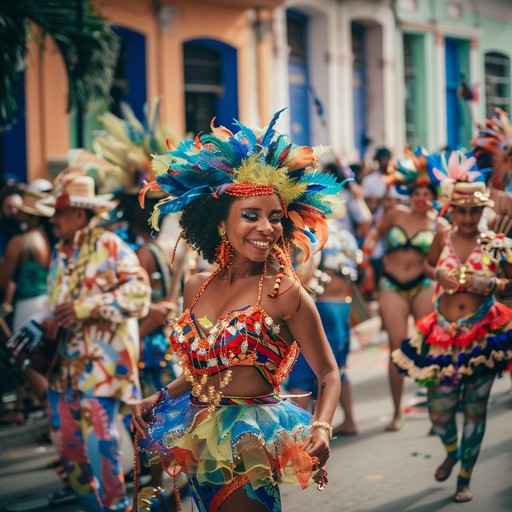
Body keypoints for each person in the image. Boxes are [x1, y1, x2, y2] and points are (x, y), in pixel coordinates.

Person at [131, 109, 342, 512]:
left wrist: (322, 425)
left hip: (251, 439)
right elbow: (204, 368)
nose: (267, 227)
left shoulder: (284, 292)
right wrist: (159, 395)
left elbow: (329, 373)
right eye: (251, 216)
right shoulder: (197, 285)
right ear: (221, 225)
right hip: (197, 433)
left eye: (275, 217)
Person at [18, 171, 151, 511]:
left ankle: (115, 507)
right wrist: (39, 322)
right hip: (63, 370)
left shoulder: (111, 246)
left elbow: (140, 295)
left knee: (100, 446)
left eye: (59, 212)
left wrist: (86, 308)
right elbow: (55, 302)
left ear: (79, 213)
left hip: (102, 370)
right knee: (67, 446)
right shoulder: (61, 252)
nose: (53, 220)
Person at [392, 150, 512, 503]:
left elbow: (510, 283)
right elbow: (428, 268)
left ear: (484, 210)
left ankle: (464, 478)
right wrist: (439, 273)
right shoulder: (441, 237)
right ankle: (450, 449)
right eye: (463, 210)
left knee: (475, 408)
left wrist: (490, 285)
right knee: (440, 411)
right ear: (451, 209)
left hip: (484, 333)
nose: (470, 217)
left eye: (476, 210)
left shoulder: (496, 243)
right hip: (441, 334)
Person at [362, 148, 444, 431]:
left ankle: (436, 411)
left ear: (433, 196)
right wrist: (367, 260)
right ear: (410, 194)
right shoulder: (395, 213)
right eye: (417, 193)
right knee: (397, 349)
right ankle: (398, 412)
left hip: (422, 284)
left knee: (428, 346)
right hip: (391, 285)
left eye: (427, 194)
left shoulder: (438, 224)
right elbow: (373, 234)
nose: (422, 199)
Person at [287, 223, 360, 436]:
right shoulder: (342, 232)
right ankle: (348, 421)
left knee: (303, 374)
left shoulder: (304, 233)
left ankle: (304, 435)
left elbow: (304, 273)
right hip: (342, 306)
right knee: (337, 368)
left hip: (320, 308)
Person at [0, 190, 53, 425]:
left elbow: (3, 280)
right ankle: (32, 408)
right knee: (36, 361)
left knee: (24, 360)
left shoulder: (18, 242)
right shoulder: (43, 237)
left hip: (27, 305)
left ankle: (50, 410)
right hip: (44, 303)